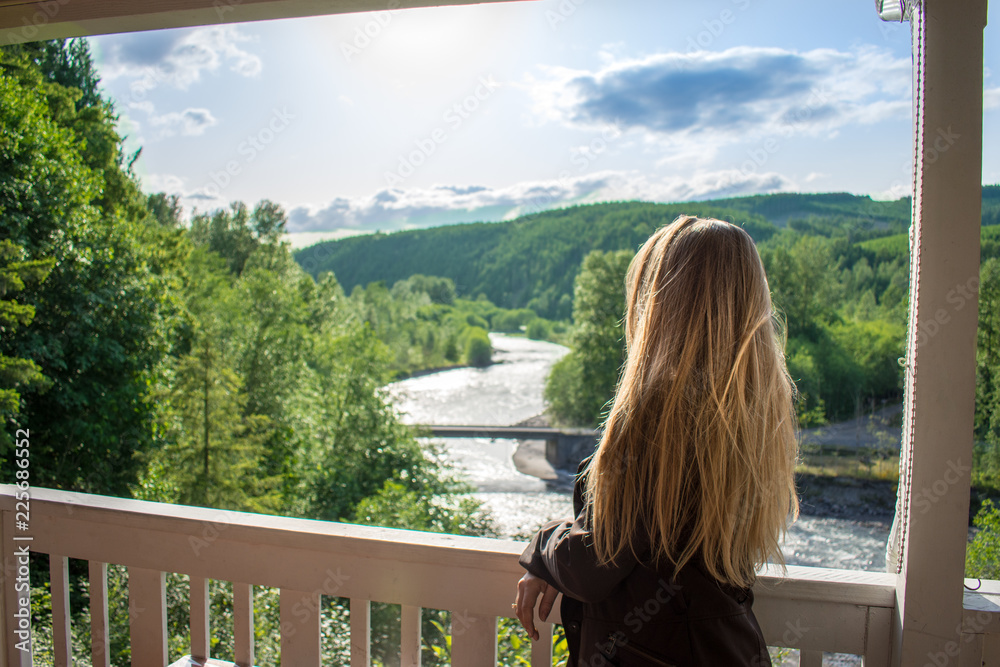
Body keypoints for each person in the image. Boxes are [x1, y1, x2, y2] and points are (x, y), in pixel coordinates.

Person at [514, 216, 799, 666]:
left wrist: (541, 547)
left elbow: (594, 563)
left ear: (662, 302)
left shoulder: (656, 416)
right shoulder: (758, 410)